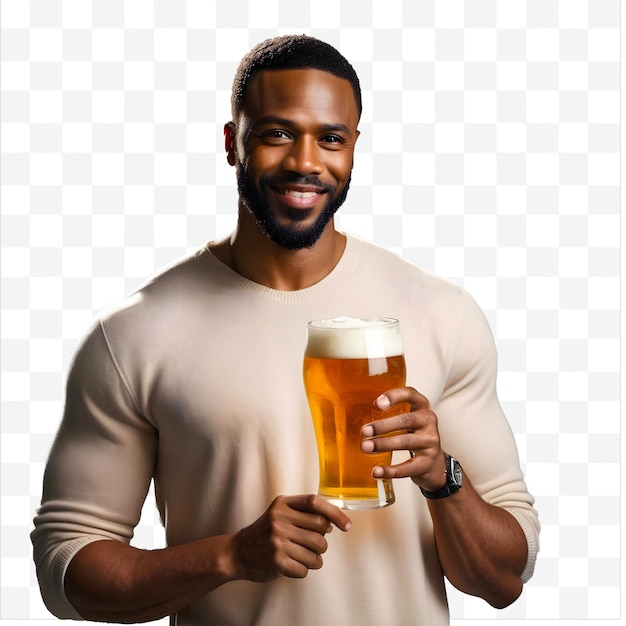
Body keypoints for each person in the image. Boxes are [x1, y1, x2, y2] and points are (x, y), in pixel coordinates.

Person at [31, 35, 539, 626]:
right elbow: (65, 574)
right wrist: (227, 555)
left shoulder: (440, 312)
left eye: (331, 138)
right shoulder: (134, 334)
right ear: (231, 142)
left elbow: (506, 579)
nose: (305, 161)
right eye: (276, 133)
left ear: (352, 148)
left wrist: (442, 478)